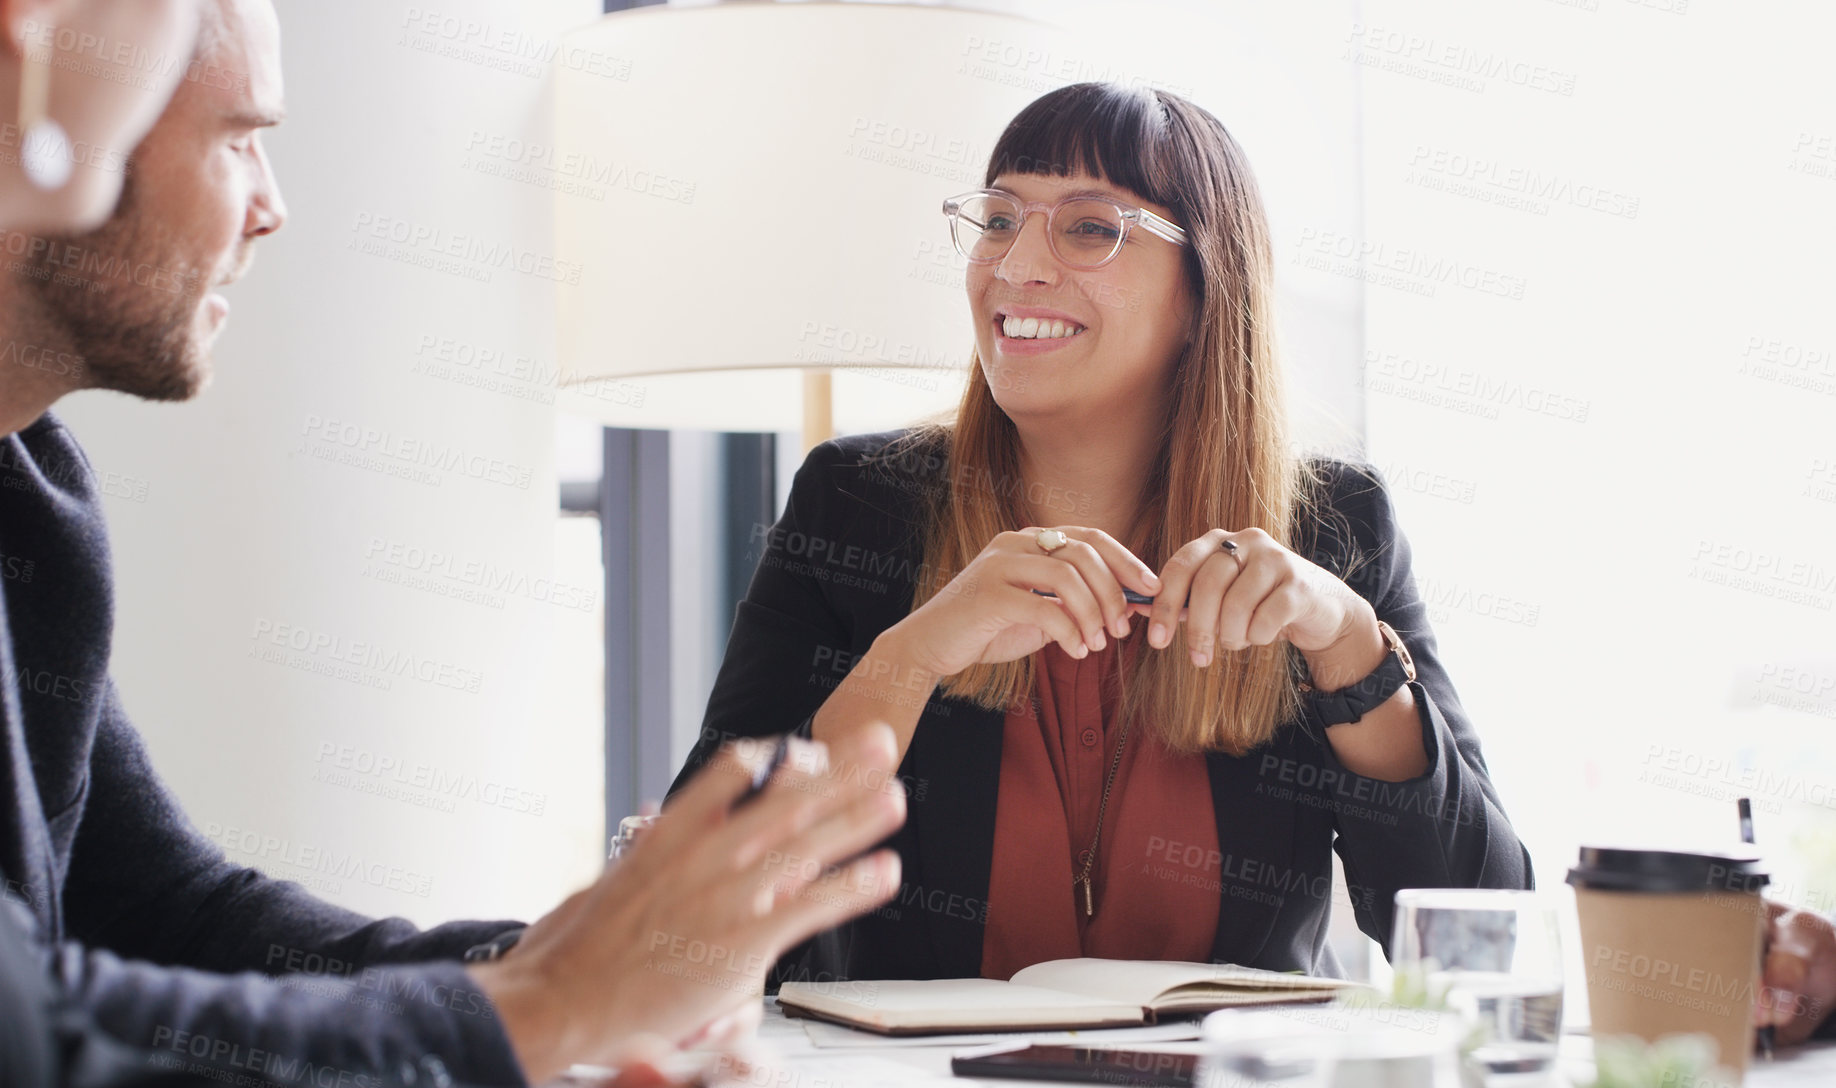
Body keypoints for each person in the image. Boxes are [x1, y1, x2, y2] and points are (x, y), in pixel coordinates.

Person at [0, 2, 907, 1085]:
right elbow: (32, 1029)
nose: (273, 207)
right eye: (240, 137)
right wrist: (540, 1009)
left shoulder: (32, 492)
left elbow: (166, 913)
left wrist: (558, 964)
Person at [671, 81, 1531, 984]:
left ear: (1205, 290)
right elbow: (684, 911)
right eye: (1000, 219)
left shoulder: (1330, 530)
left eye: (1088, 228)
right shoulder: (856, 505)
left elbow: (1488, 953)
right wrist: (915, 656)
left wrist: (1352, 651)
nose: (1015, 267)